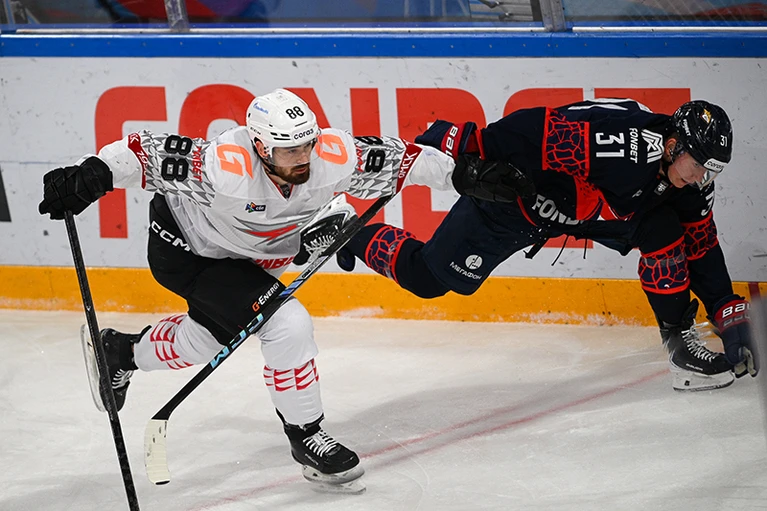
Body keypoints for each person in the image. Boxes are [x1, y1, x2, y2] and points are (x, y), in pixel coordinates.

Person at [37, 88, 531, 492]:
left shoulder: (331, 156)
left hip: (253, 258)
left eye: (306, 145)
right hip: (189, 251)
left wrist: (465, 175)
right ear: (259, 146)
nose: (302, 158)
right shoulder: (221, 167)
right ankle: (307, 436)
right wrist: (90, 174)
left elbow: (404, 161)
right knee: (286, 322)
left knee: (210, 339)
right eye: (288, 150)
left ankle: (121, 351)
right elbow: (143, 152)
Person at [338, 98, 758, 392]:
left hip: (592, 209)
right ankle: (350, 231)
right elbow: (531, 130)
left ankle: (680, 345)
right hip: (518, 202)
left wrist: (726, 309)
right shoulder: (618, 147)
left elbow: (701, 244)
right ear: (673, 144)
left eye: (711, 171)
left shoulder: (687, 183)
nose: (701, 178)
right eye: (698, 165)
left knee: (665, 231)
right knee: (427, 279)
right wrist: (463, 145)